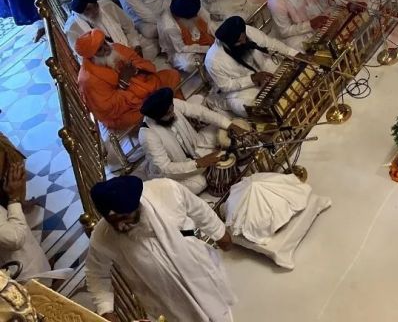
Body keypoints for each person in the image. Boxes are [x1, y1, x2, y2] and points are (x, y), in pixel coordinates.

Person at [86, 175, 235, 322]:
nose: (119, 226)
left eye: (124, 218)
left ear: (138, 204)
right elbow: (96, 273)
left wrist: (219, 233)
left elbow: (199, 210)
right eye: (113, 221)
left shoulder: (166, 190)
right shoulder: (103, 235)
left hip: (199, 269)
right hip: (164, 298)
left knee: (218, 310)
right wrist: (105, 309)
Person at [139, 87, 241, 195]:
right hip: (177, 168)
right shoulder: (147, 135)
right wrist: (198, 163)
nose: (173, 114)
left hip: (197, 146)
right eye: (168, 113)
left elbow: (200, 112)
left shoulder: (171, 105)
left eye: (172, 109)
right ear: (157, 117)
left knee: (222, 124)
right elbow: (164, 168)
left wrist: (229, 125)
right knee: (199, 184)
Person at [75, 29, 181, 131]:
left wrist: (135, 69)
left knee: (172, 76)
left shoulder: (116, 48)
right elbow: (106, 110)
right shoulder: (88, 80)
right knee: (141, 114)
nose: (107, 49)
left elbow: (144, 63)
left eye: (105, 43)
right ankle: (163, 128)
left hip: (146, 85)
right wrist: (123, 82)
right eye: (100, 49)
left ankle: (180, 113)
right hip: (129, 109)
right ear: (91, 57)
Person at [204, 15, 300, 116]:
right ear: (229, 43)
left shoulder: (247, 31)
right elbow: (226, 86)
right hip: (242, 90)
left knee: (289, 68)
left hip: (263, 69)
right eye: (239, 42)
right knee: (246, 107)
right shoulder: (213, 60)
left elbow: (271, 44)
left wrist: (295, 54)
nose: (244, 42)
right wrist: (252, 79)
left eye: (244, 38)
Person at [0, 158, 50, 281]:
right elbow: (15, 239)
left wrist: (17, 203)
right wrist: (14, 199)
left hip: (30, 270)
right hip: (25, 276)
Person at [65, 0, 142, 51]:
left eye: (95, 6)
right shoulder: (72, 28)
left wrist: (136, 45)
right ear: (81, 13)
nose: (94, 11)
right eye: (88, 9)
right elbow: (82, 56)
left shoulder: (108, 5)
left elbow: (129, 27)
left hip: (128, 47)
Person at [158, 0, 215, 72]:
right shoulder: (169, 27)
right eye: (193, 17)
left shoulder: (191, 2)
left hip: (197, 37)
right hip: (179, 50)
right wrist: (207, 48)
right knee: (189, 64)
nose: (197, 16)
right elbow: (181, 48)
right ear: (181, 18)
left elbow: (208, 20)